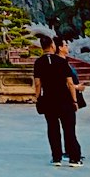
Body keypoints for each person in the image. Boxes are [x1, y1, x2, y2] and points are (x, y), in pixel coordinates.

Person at [32, 35, 82, 166]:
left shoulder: (38, 62)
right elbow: (70, 83)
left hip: (49, 99)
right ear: (52, 46)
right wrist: (74, 100)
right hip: (64, 99)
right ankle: (74, 158)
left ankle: (56, 157)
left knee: (52, 128)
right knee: (69, 128)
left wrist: (38, 98)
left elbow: (37, 83)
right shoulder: (61, 61)